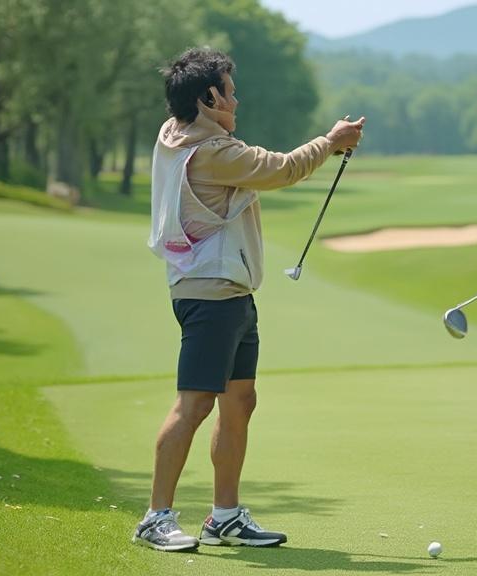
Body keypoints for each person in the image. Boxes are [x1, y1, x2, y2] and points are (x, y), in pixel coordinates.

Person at [134, 47, 365, 551]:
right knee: (194, 404)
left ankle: (224, 517)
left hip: (229, 290)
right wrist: (331, 141)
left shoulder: (177, 133)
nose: (236, 100)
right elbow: (281, 169)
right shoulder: (211, 152)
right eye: (229, 91)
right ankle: (156, 517)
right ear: (208, 97)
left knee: (239, 401)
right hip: (211, 293)